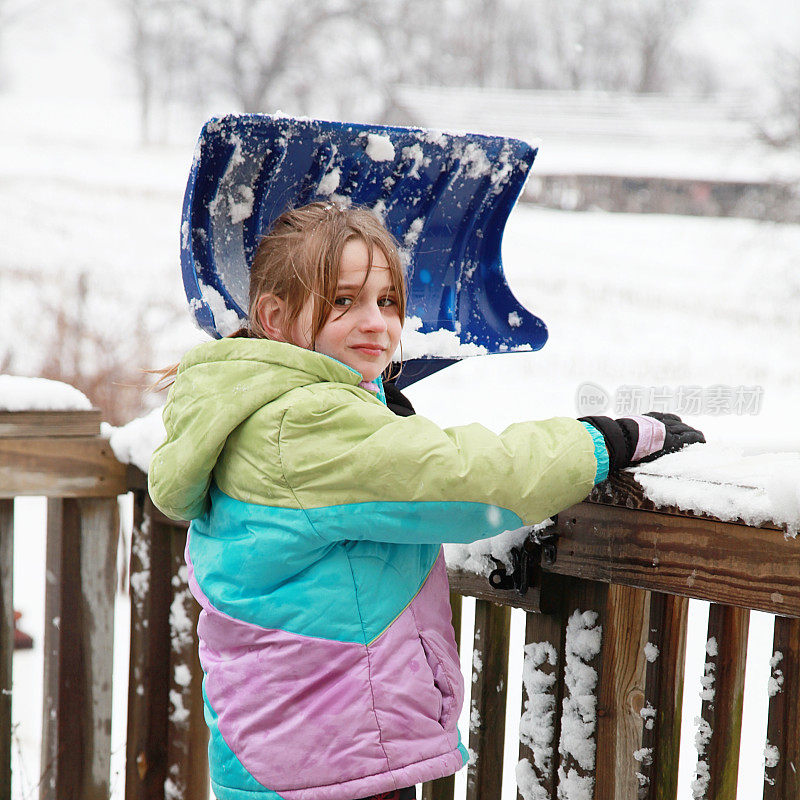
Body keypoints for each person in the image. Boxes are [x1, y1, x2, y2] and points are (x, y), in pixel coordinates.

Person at [148, 201, 703, 800]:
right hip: (333, 760)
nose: (375, 323)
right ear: (275, 317)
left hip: (285, 746)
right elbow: (471, 480)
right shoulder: (303, 424)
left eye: (387, 302)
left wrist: (378, 411)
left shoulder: (252, 411)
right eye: (343, 301)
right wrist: (601, 441)